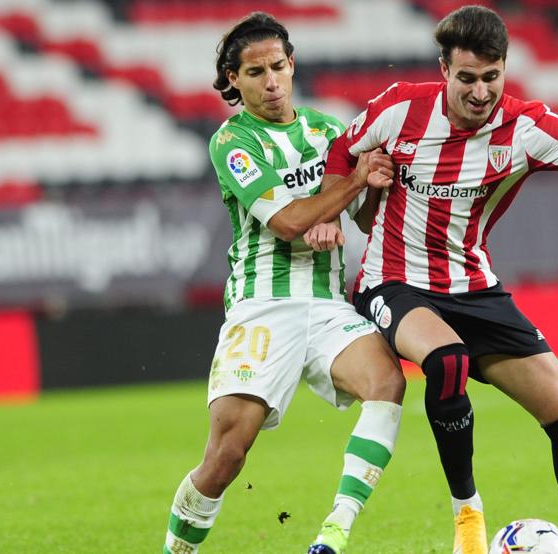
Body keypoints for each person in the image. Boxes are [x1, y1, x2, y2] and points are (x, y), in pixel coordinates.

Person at [308, 6, 558, 554]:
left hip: (475, 288)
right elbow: (342, 151)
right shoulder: (399, 108)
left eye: (492, 77)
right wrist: (331, 210)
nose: (481, 92)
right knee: (447, 361)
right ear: (444, 69)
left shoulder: (525, 128)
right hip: (394, 281)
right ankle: (468, 514)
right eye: (467, 78)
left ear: (505, 68)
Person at [162, 12, 406, 554]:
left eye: (277, 67)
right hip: (262, 304)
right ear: (234, 80)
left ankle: (335, 530)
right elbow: (290, 221)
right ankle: (177, 549)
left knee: (387, 383)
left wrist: (372, 185)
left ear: (292, 64)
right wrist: (349, 186)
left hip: (326, 301)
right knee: (226, 456)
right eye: (255, 73)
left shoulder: (329, 132)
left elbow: (365, 218)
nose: (271, 82)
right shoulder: (233, 142)